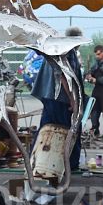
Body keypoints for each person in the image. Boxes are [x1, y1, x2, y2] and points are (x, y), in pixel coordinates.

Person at [24, 26, 84, 173]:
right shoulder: (68, 51)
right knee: (69, 130)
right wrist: (73, 101)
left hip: (50, 96)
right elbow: (63, 76)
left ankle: (36, 163)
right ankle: (69, 165)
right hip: (61, 99)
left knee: (46, 129)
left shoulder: (57, 48)